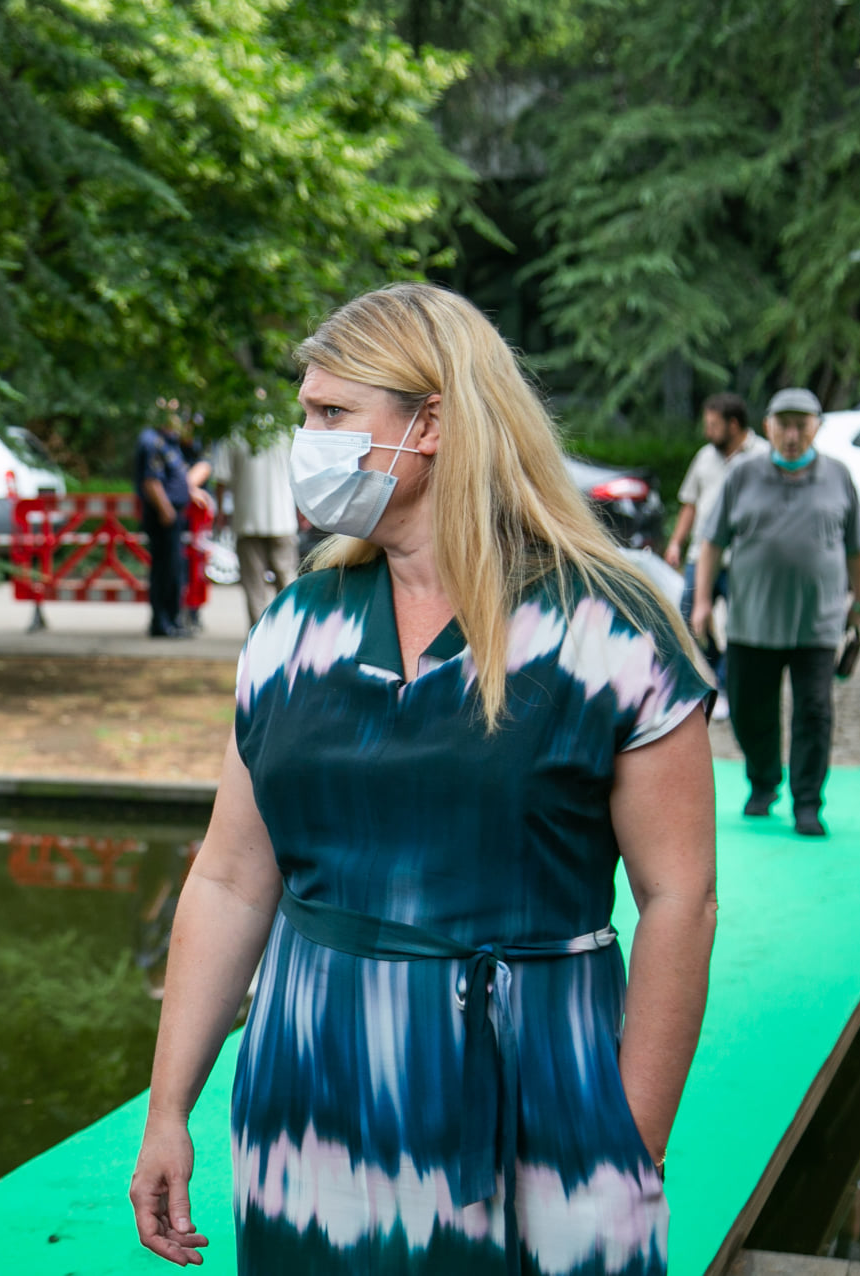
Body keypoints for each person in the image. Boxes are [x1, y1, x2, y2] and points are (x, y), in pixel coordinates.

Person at [129, 283, 717, 1274]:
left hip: (534, 1105)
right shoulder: (294, 626)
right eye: (306, 413)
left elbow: (680, 899)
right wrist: (168, 1108)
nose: (307, 441)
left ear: (432, 423)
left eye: (331, 413)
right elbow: (230, 879)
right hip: (306, 1116)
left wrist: (632, 1144)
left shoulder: (610, 628)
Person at [691, 386, 860, 838]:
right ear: (767, 427)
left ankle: (807, 802)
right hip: (752, 621)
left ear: (817, 427)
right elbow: (711, 543)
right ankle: (763, 782)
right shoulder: (742, 474)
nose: (792, 435)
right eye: (783, 425)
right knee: (750, 711)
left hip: (818, 623)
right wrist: (702, 600)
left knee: (814, 713)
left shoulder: (839, 476)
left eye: (801, 425)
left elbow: (856, 547)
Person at [665, 391, 769, 707]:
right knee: (688, 617)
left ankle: (727, 685)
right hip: (702, 557)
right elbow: (690, 504)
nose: (707, 431)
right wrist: (676, 542)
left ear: (733, 424)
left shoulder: (764, 456)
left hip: (743, 559)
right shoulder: (704, 457)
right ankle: (722, 673)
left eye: (713, 425)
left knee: (742, 627)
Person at [213, 428, 299, 623]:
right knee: (286, 578)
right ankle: (290, 628)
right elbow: (300, 474)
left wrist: (220, 511)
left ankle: (259, 632)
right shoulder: (286, 432)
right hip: (283, 519)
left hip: (247, 520)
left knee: (254, 586)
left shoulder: (235, 435)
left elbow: (221, 478)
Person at [136, 398, 204, 637]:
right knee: (166, 571)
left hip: (173, 515)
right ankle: (163, 623)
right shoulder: (152, 442)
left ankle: (172, 620)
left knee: (174, 569)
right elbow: (151, 481)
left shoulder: (170, 442)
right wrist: (167, 510)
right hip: (163, 516)